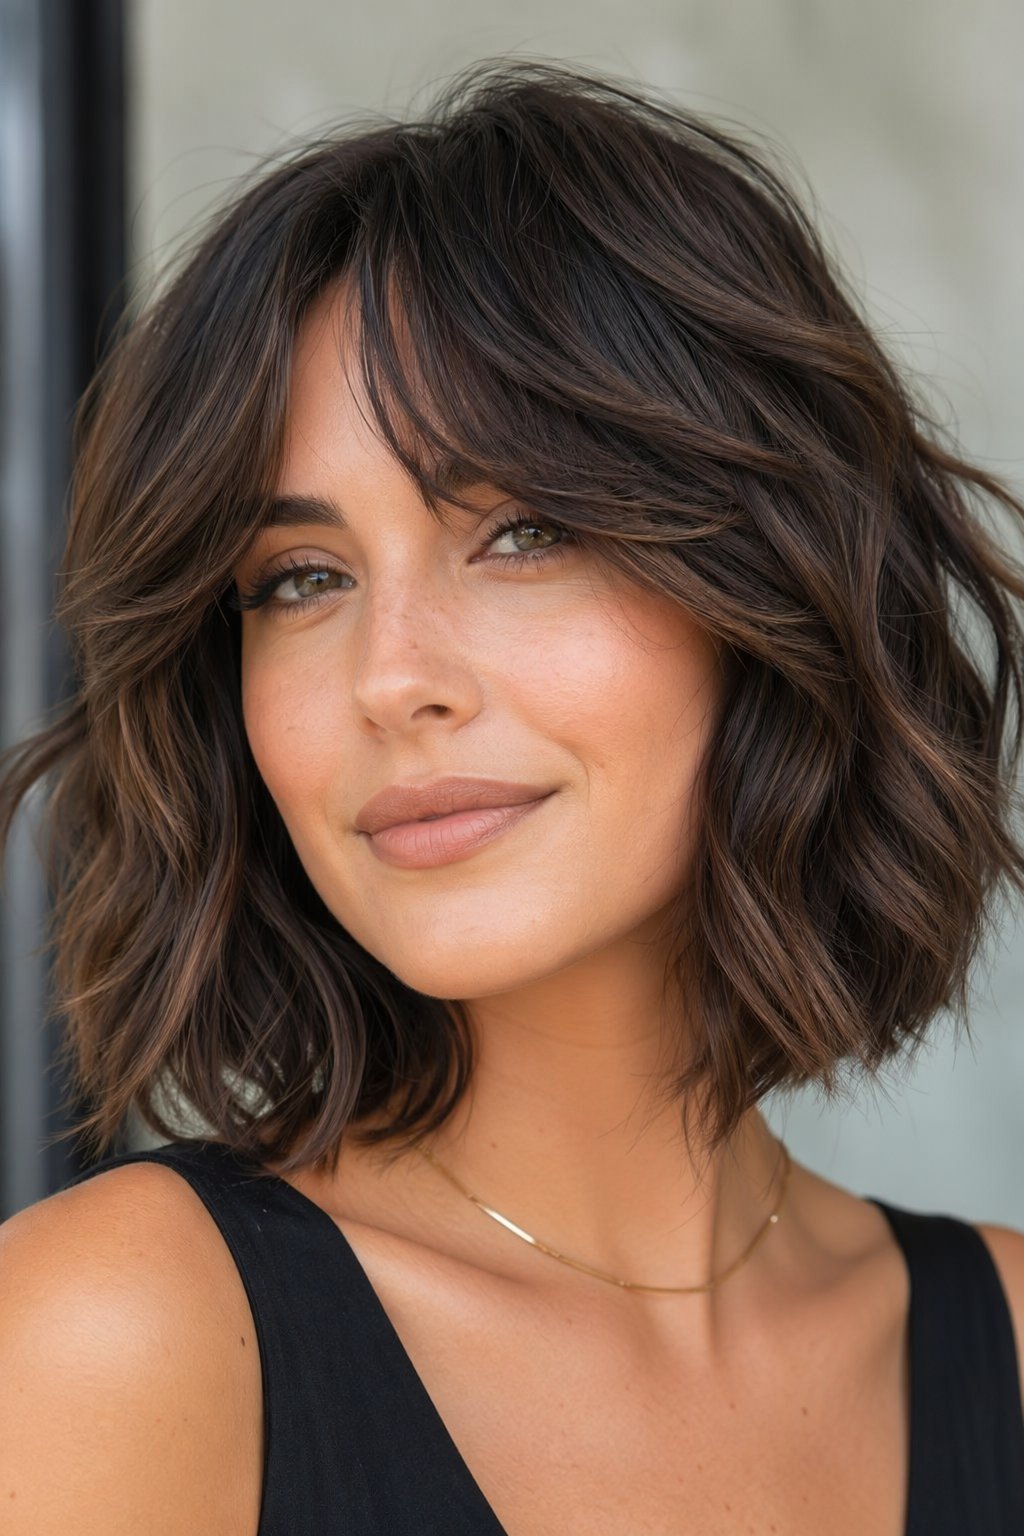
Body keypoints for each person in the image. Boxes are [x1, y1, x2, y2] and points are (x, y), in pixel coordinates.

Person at [0, 56, 1022, 1535]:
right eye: (300, 579)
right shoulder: (116, 1337)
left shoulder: (1002, 1337)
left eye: (526, 531)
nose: (389, 676)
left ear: (776, 585)